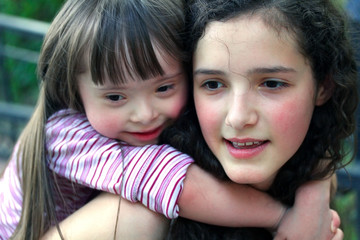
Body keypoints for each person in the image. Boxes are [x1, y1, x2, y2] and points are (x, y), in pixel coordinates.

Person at [0, 0, 343, 239]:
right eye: (115, 96)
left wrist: (312, 197)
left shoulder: (184, 111)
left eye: (163, 87)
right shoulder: (68, 138)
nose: (144, 113)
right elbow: (177, 185)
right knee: (141, 215)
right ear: (75, 92)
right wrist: (283, 217)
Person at [161, 0, 358, 239]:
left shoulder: (305, 169)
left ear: (323, 87)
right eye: (213, 84)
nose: (238, 117)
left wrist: (315, 192)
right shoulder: (133, 222)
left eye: (271, 84)